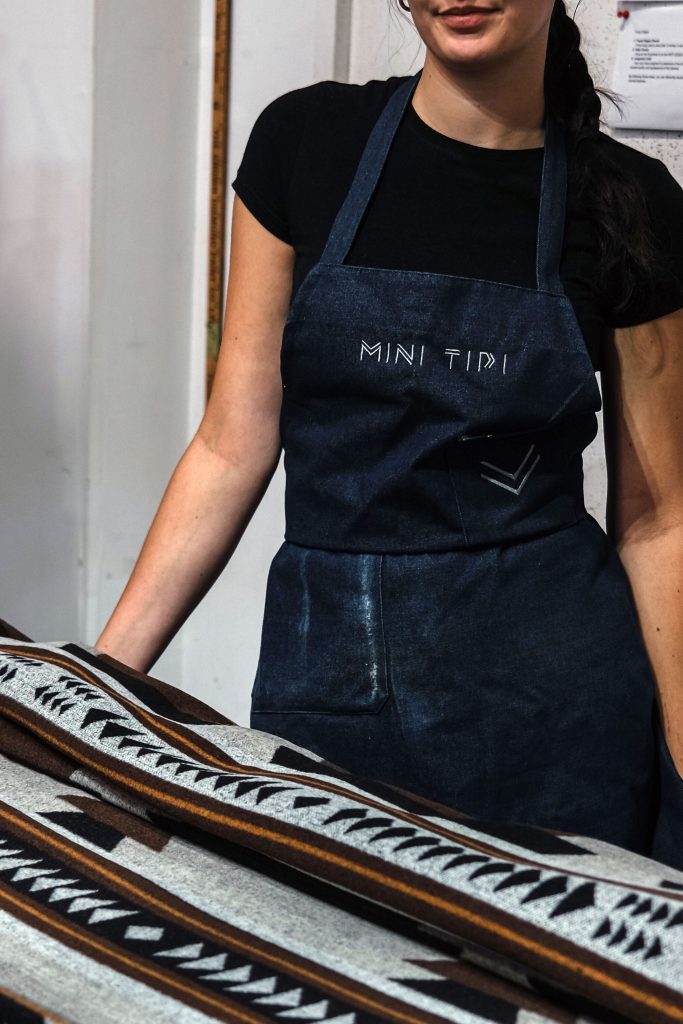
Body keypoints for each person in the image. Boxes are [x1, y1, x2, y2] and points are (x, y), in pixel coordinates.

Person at [96, 0, 683, 867]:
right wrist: (98, 688)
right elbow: (232, 441)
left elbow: (660, 518)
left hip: (554, 713)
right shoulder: (306, 143)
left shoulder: (629, 202)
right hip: (327, 684)